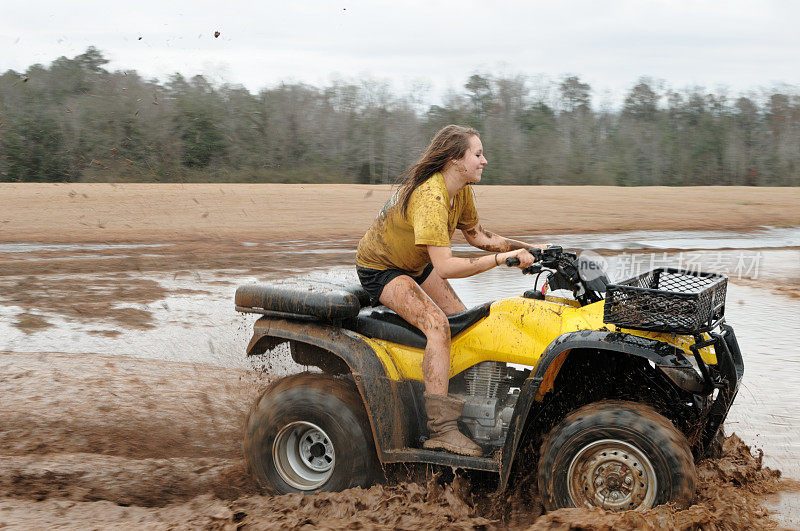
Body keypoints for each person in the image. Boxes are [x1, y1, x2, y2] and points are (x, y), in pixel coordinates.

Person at [355, 125, 548, 457]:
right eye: (477, 154)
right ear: (456, 159)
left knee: (461, 320)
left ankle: (467, 399)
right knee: (437, 325)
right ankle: (441, 430)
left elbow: (479, 237)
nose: (484, 160)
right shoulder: (431, 197)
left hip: (416, 261)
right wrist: (502, 260)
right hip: (382, 268)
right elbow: (445, 266)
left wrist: (533, 248)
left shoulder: (461, 190)